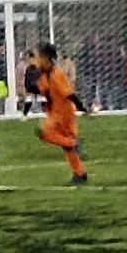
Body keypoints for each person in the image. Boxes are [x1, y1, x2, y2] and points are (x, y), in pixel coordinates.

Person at [35, 45, 87, 186]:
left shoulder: (57, 74)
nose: (37, 60)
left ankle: (74, 143)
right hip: (55, 113)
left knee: (44, 133)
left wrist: (82, 107)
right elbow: (45, 92)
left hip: (64, 114)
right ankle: (80, 173)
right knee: (65, 145)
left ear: (46, 58)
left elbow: (69, 94)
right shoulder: (45, 75)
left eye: (39, 57)